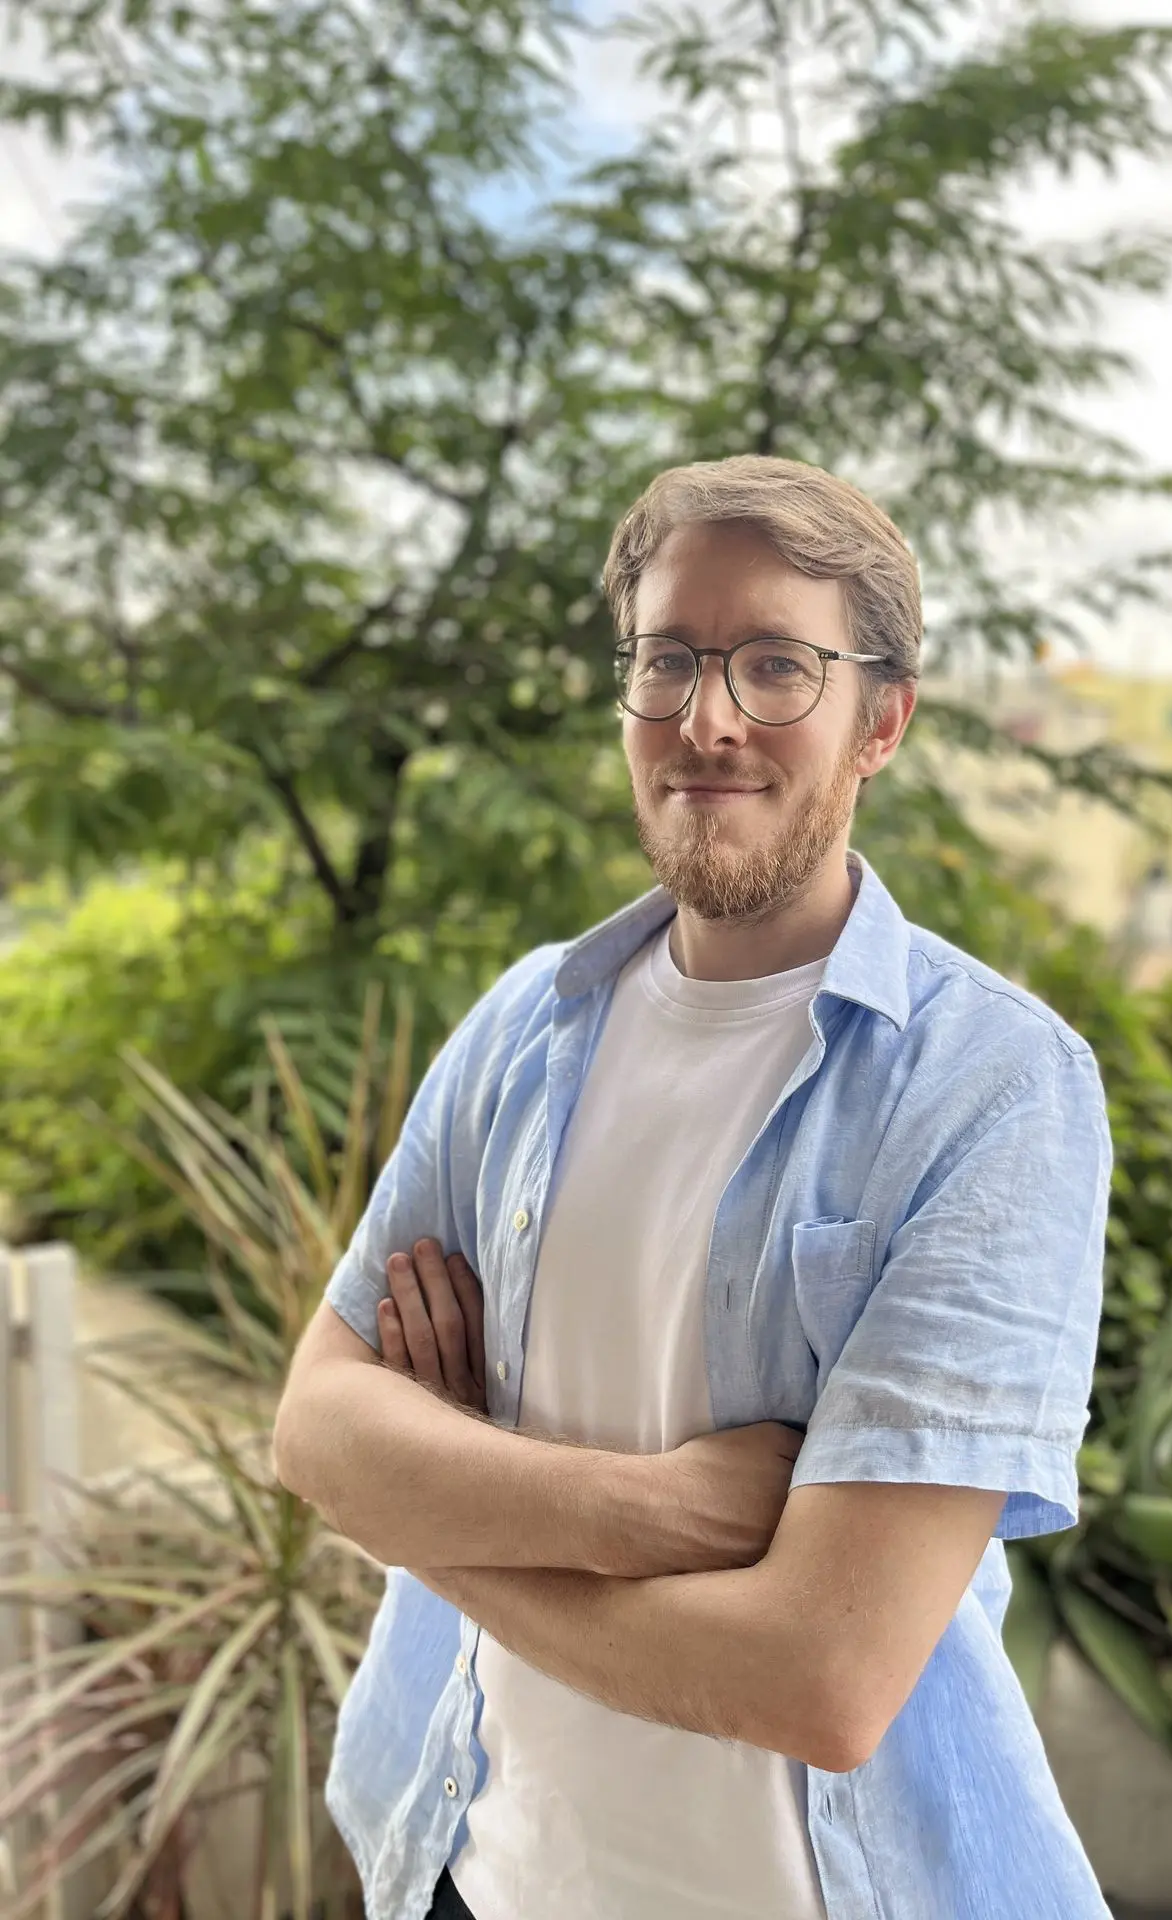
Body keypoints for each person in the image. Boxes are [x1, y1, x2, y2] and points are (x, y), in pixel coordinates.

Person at [273, 454, 1115, 1920]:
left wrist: (442, 1508)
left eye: (777, 665)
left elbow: (822, 1678)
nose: (707, 717)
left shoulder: (992, 1088)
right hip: (468, 1868)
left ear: (882, 723)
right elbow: (317, 1429)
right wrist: (647, 1508)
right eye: (668, 659)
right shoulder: (522, 1026)